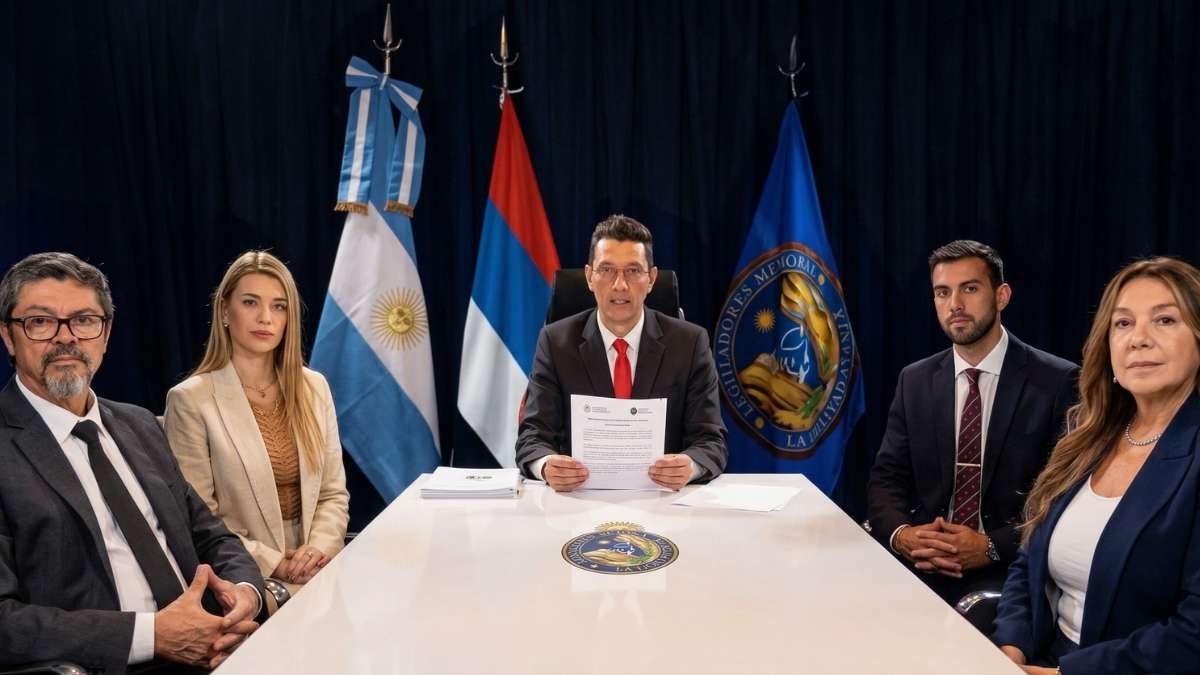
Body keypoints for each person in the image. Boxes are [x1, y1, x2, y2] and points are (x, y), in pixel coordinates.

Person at [0, 252, 264, 674]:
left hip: (215, 650)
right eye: (40, 321)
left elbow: (211, 536)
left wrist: (245, 592)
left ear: (105, 335)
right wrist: (151, 635)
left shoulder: (139, 424)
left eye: (84, 320)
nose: (66, 337)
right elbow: (5, 622)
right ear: (9, 337)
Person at [993, 257, 1200, 674]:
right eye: (1123, 323)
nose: (1138, 339)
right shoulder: (1087, 438)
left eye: (1165, 320)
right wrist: (1010, 648)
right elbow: (1029, 559)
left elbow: (1192, 633)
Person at [867, 240, 1079, 604]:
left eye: (969, 289)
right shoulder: (914, 380)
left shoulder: (1057, 381)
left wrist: (991, 546)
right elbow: (886, 478)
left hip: (1010, 569)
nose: (955, 304)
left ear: (1002, 296)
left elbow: (1066, 496)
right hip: (923, 562)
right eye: (942, 292)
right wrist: (903, 536)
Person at [164, 251, 348, 601]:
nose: (266, 317)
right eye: (251, 302)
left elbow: (333, 494)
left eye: (279, 306)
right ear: (224, 311)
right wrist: (276, 564)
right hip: (246, 578)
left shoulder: (314, 387)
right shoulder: (191, 400)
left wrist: (317, 551)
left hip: (319, 569)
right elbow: (201, 519)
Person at [515, 215, 727, 491]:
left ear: (651, 279)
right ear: (589, 277)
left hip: (664, 501)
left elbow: (711, 441)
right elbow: (532, 437)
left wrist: (691, 466)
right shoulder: (556, 343)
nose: (620, 285)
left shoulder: (690, 344)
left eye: (633, 270)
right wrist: (546, 466)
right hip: (577, 500)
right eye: (607, 270)